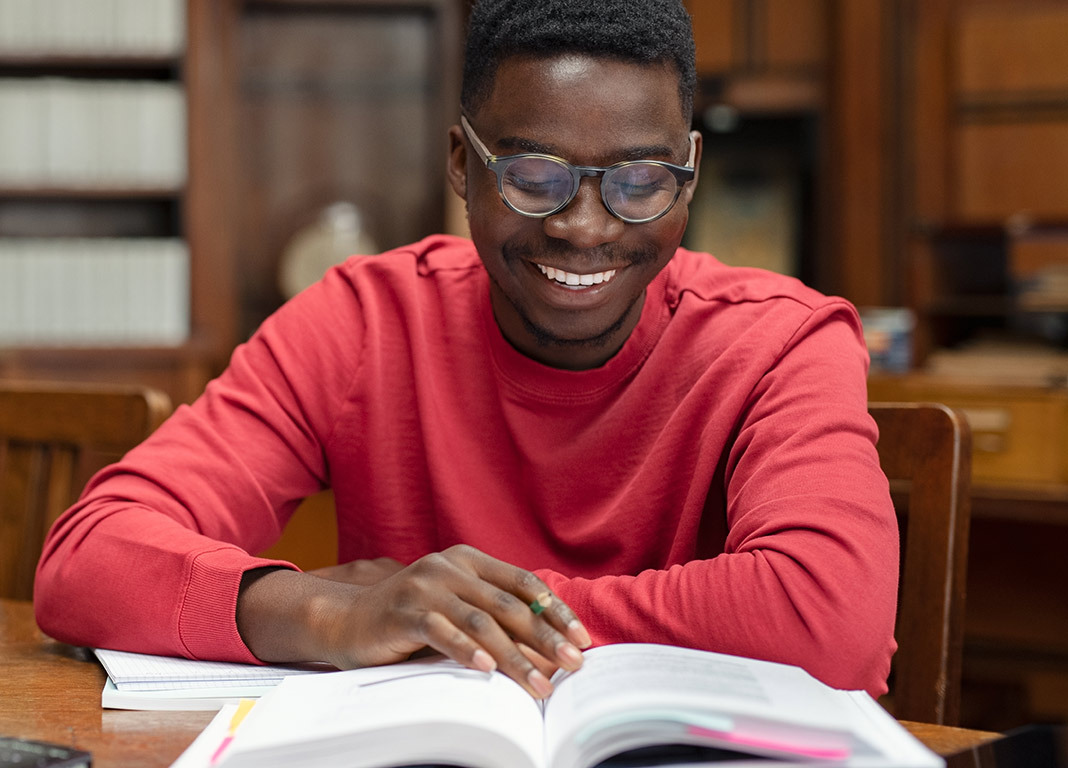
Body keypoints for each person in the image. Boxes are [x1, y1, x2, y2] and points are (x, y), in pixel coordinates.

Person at [34, 0, 898, 701]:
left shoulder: (784, 340)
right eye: (533, 176)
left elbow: (830, 622)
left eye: (639, 182)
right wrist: (337, 617)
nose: (584, 227)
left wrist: (448, 615)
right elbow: (88, 561)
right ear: (463, 161)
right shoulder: (363, 320)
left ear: (691, 171)